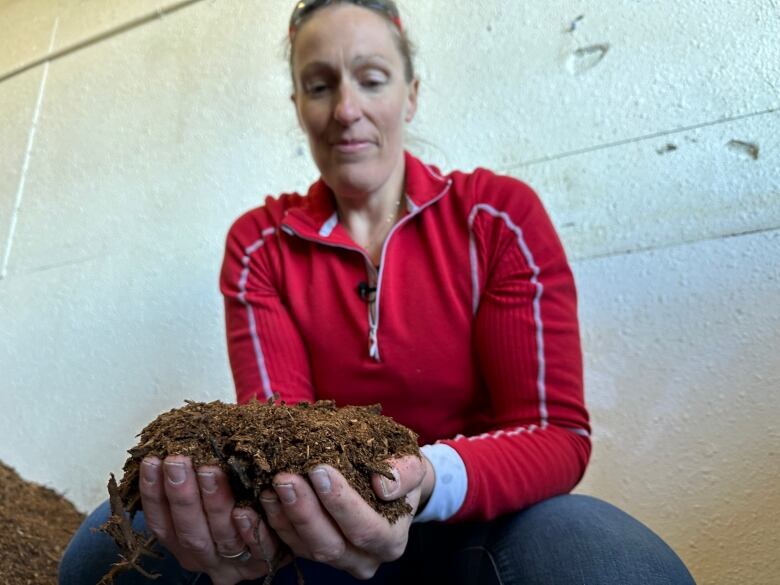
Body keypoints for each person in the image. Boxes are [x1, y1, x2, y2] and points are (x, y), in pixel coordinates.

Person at [59, 1, 696, 584]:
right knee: (101, 553)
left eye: (371, 78)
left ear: (411, 94)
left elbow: (554, 433)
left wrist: (424, 481)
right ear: (298, 105)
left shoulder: (496, 218)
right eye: (320, 85)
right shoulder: (261, 244)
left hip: (475, 522)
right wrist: (273, 506)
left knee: (610, 561)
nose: (345, 110)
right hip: (317, 525)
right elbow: (275, 429)